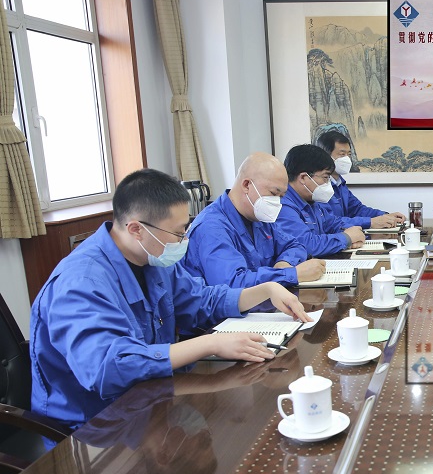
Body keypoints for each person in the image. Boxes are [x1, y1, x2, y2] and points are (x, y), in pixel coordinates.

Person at [29, 169, 311, 428]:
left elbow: (200, 300)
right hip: (92, 426)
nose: (184, 240)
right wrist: (210, 344)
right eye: (177, 232)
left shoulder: (151, 256)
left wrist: (266, 289)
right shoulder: (80, 283)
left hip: (150, 397)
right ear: (136, 229)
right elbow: (109, 368)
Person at [182, 152, 326, 288]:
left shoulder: (258, 216)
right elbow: (233, 284)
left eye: (281, 197)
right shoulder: (212, 227)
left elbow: (295, 245)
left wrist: (285, 262)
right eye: (273, 193)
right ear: (246, 185)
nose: (277, 202)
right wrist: (292, 275)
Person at [278, 144, 366, 257]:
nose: (328, 183)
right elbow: (306, 245)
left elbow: (333, 223)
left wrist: (353, 230)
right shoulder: (284, 206)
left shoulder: (311, 201)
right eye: (325, 178)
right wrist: (346, 238)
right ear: (303, 178)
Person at [315, 130, 406, 229]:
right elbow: (330, 221)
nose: (347, 159)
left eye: (349, 154)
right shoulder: (319, 187)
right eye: (342, 154)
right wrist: (370, 222)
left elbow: (357, 209)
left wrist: (385, 216)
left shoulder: (340, 183)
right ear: (326, 155)